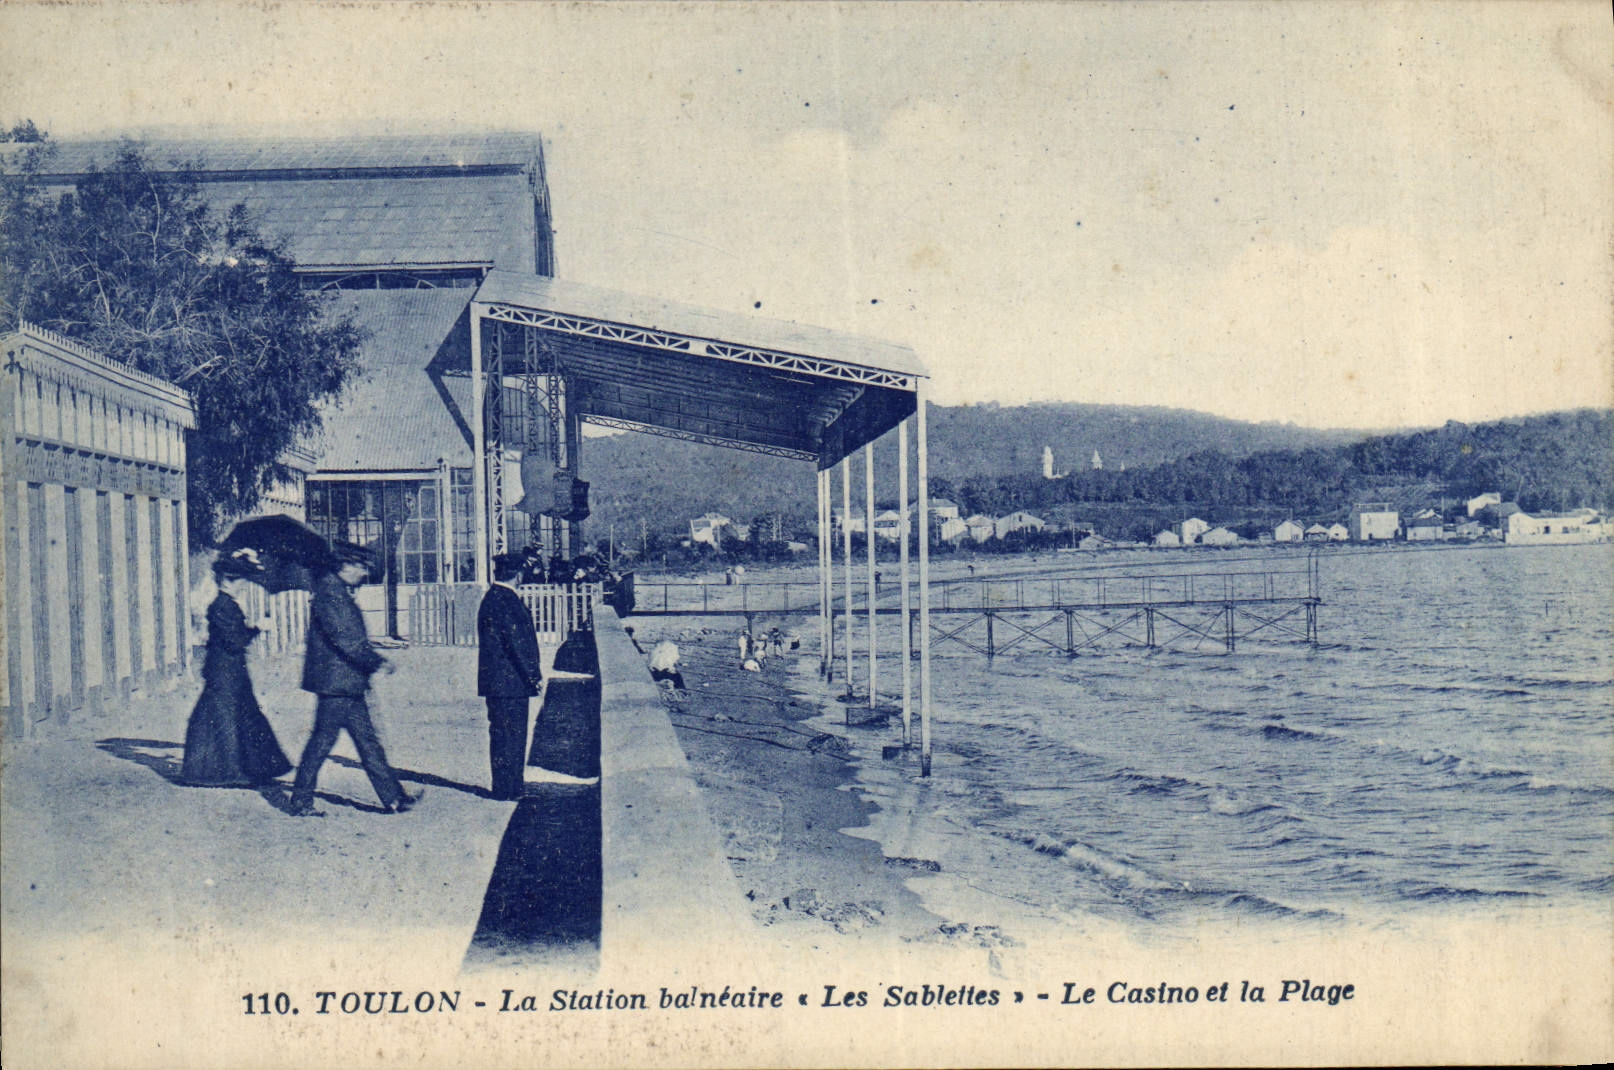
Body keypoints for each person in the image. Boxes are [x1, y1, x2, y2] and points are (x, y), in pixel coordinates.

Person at [288, 547, 421, 816]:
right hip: (338, 683)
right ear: (344, 566)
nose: (364, 573)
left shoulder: (334, 591)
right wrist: (376, 661)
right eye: (360, 567)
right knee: (323, 742)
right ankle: (301, 800)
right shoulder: (331, 594)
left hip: (344, 681)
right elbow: (346, 639)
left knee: (365, 741)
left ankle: (394, 798)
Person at [181, 558, 293, 787]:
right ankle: (225, 772)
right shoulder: (222, 605)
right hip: (224, 673)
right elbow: (235, 641)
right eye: (242, 580)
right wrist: (257, 628)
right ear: (229, 580)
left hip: (230, 671)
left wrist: (252, 628)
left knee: (239, 717)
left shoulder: (227, 604)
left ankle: (254, 769)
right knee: (224, 722)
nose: (244, 584)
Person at [478, 554, 544, 801]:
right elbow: (518, 643)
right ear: (518, 574)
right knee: (513, 736)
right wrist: (534, 675)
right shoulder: (508, 601)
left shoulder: (491, 598)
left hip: (496, 682)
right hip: (511, 682)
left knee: (501, 735)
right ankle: (511, 789)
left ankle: (503, 787)